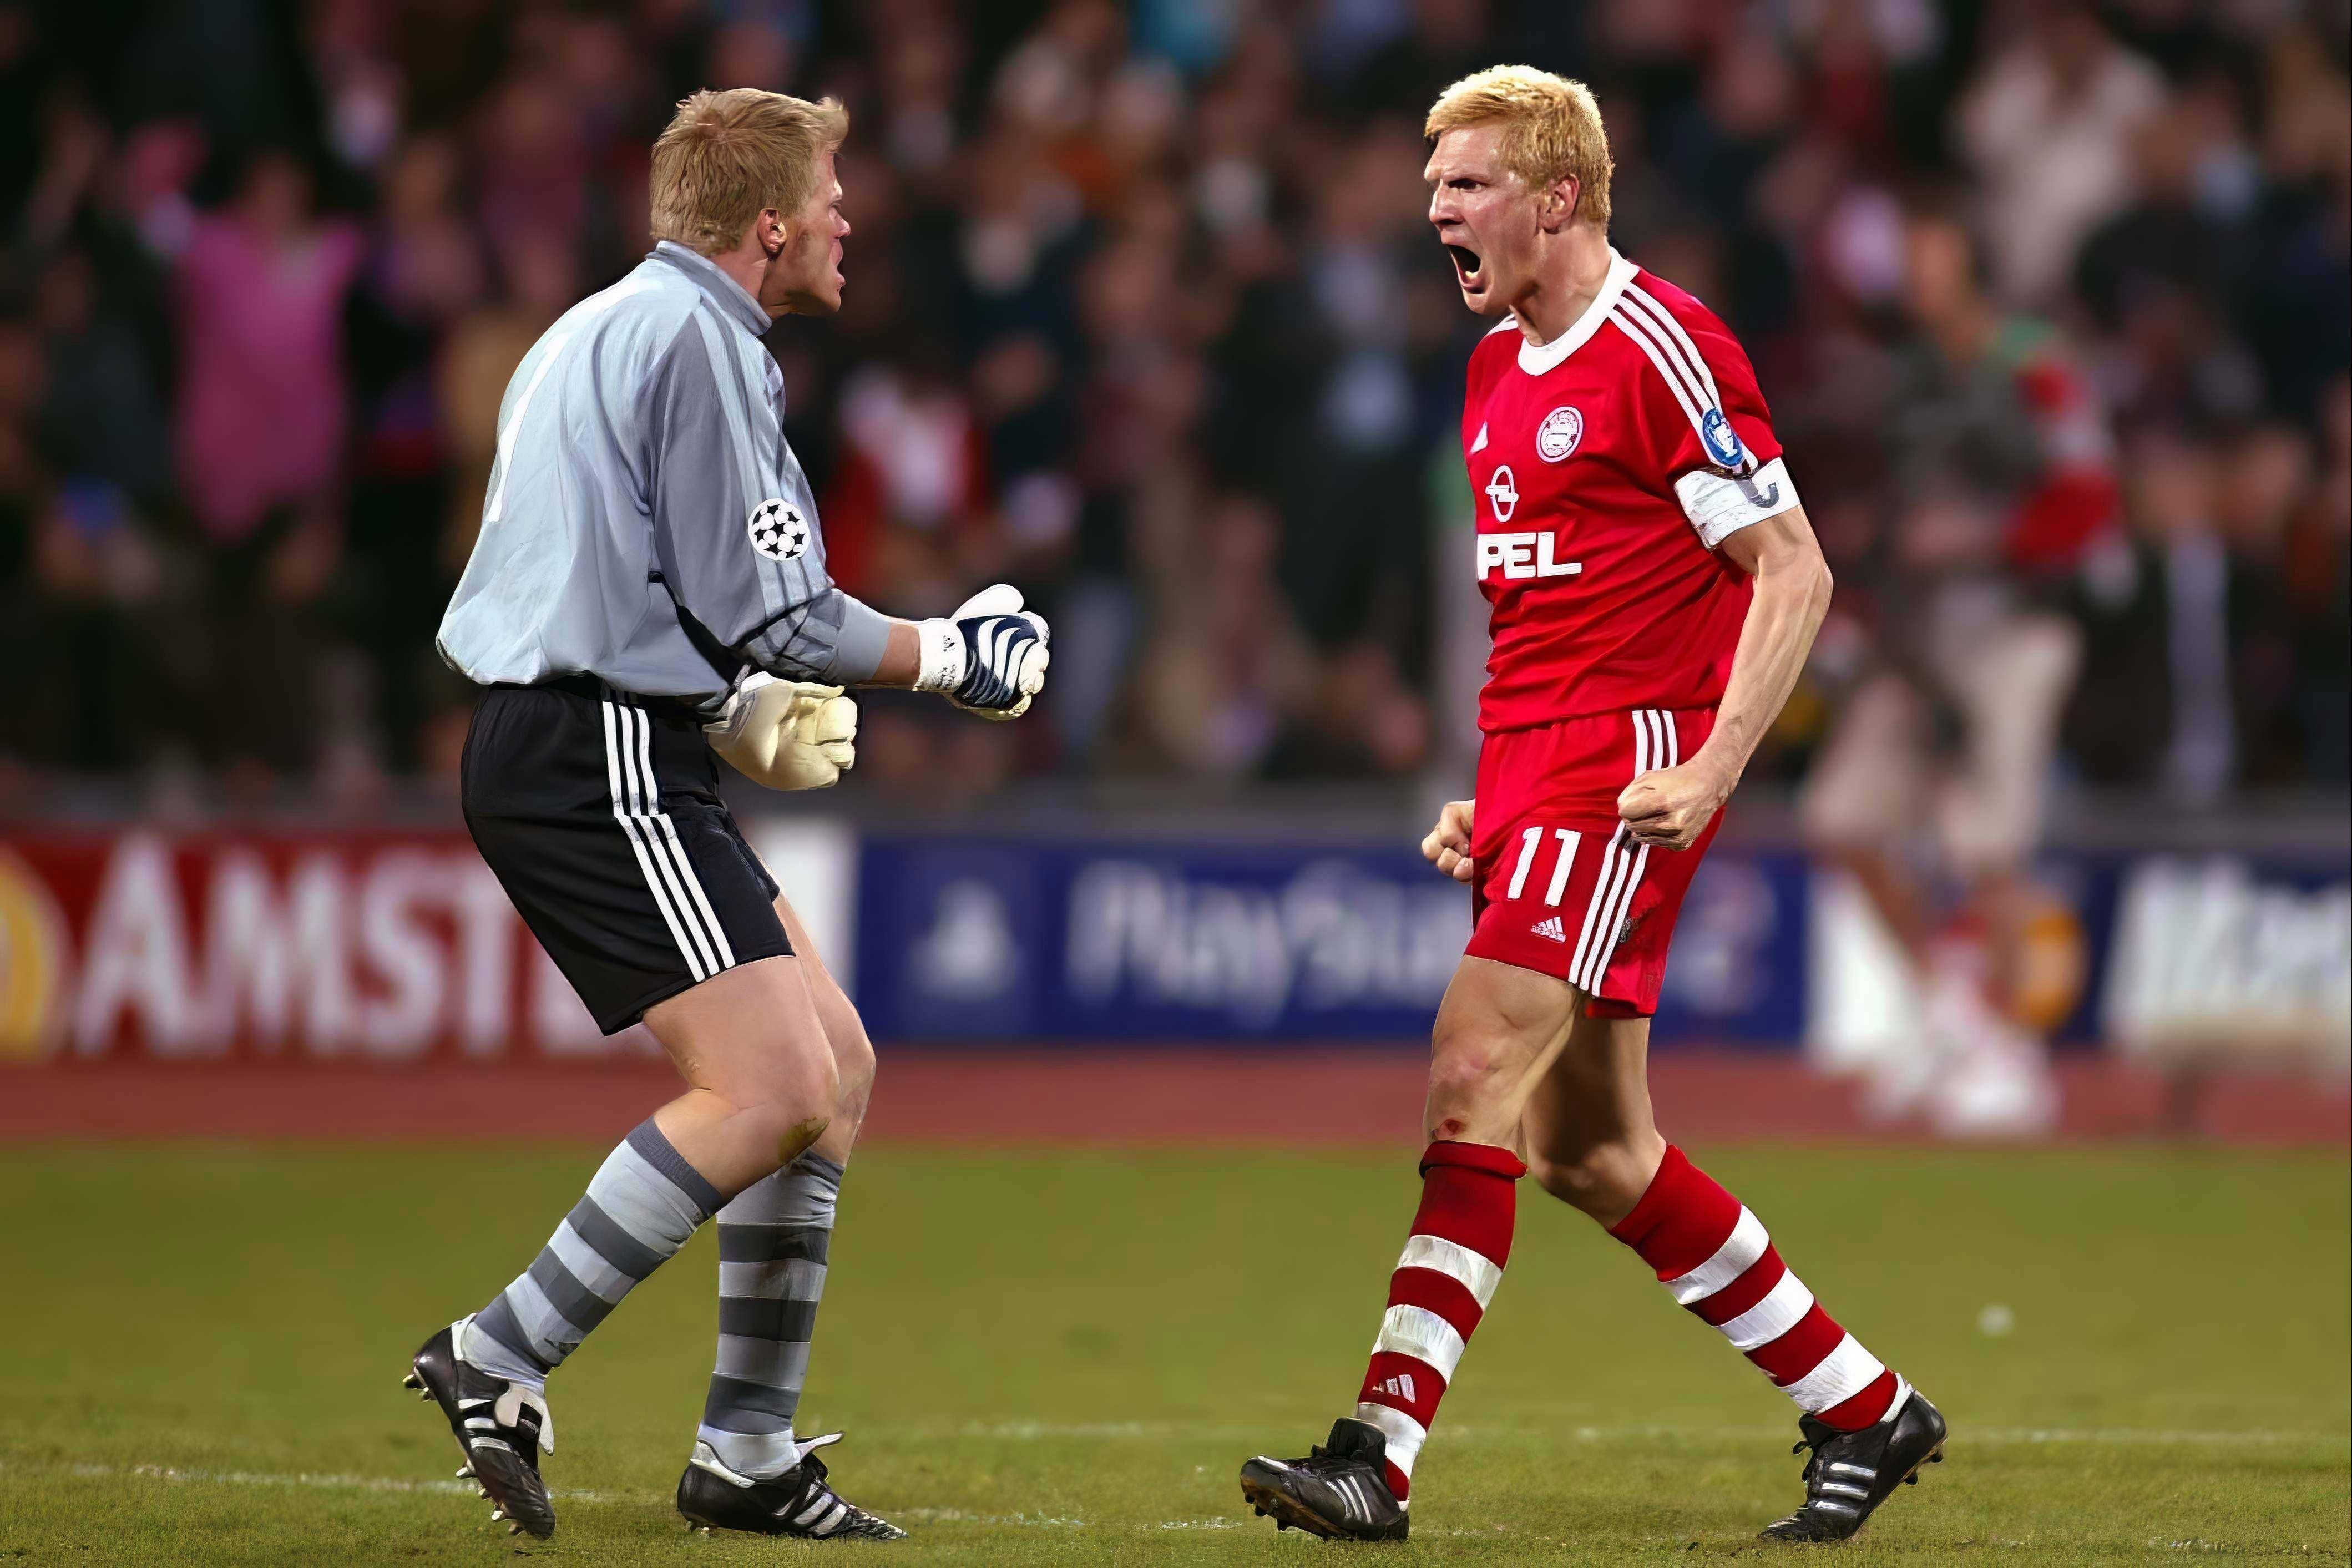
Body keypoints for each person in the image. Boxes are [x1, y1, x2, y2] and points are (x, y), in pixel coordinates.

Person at [1237, 68, 1943, 1544]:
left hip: (1629, 769)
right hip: (1537, 767)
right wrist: (1488, 789)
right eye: (1434, 185)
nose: (1438, 208)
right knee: (1590, 1149)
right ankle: (1866, 1404)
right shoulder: (1496, 368)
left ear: (1558, 197)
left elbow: (1795, 569)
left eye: (1468, 183)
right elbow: (1542, 611)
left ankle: (1376, 1453)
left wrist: (1713, 764)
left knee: (1472, 1063)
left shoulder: (1663, 345)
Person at [412, 88, 1050, 1543]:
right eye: (829, 195)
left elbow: (614, 568)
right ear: (770, 224)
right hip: (596, 746)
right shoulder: (709, 343)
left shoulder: (589, 329)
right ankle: (499, 1350)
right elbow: (783, 609)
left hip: (587, 730)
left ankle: (746, 1450)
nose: (845, 218)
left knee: (835, 1066)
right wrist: (952, 655)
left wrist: (721, 705)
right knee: (769, 1089)